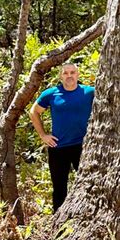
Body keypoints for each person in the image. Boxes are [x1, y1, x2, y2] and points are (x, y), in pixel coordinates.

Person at [29, 62, 95, 212]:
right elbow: (34, 112)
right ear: (61, 76)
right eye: (66, 73)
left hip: (84, 147)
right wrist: (43, 135)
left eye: (72, 72)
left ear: (78, 75)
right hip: (58, 147)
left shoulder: (89, 92)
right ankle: (58, 222)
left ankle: (85, 216)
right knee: (59, 188)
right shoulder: (51, 94)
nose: (69, 76)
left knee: (89, 185)